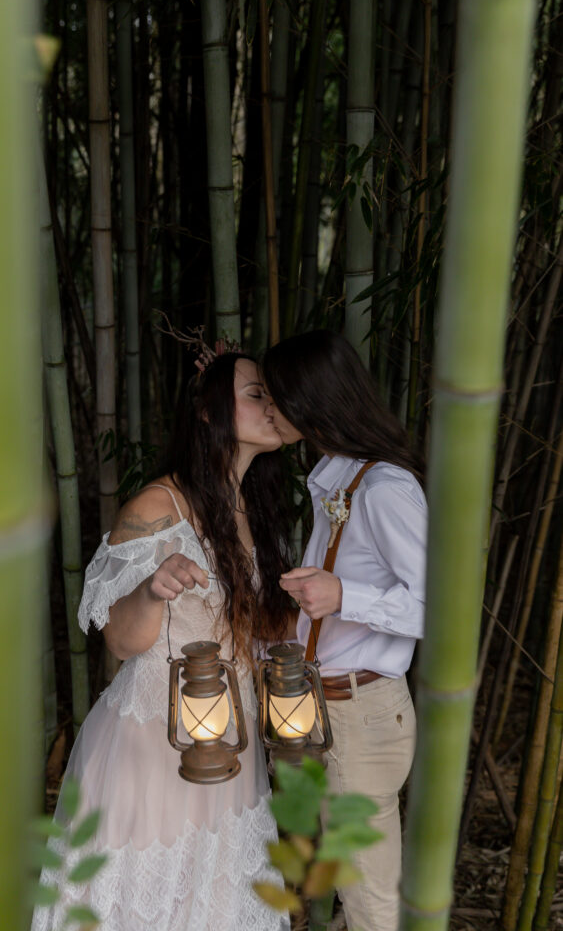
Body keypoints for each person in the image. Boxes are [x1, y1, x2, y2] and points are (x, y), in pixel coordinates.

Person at [32, 352, 294, 931]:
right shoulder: (157, 507)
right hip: (155, 739)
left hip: (232, 735)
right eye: (255, 394)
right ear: (206, 411)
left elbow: (256, 633)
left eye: (274, 396)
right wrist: (152, 590)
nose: (271, 408)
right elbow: (120, 642)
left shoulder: (254, 504)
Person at [262, 329, 426, 931]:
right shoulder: (335, 479)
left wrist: (342, 596)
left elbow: (439, 608)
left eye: (275, 397)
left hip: (365, 711)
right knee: (348, 886)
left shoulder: (385, 490)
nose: (269, 410)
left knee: (371, 901)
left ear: (312, 401)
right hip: (325, 707)